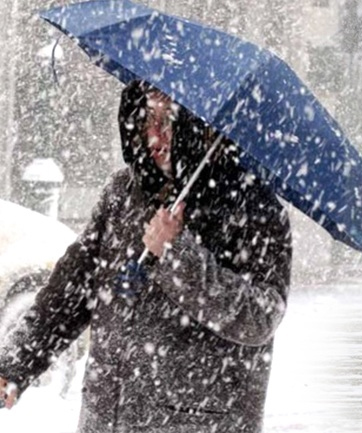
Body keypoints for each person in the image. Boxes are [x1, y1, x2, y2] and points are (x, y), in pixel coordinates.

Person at [0, 80, 292, 433]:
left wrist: (175, 253)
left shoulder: (254, 208)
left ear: (199, 128)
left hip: (195, 423)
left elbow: (259, 317)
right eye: (146, 118)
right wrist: (14, 364)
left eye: (168, 121)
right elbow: (71, 290)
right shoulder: (123, 194)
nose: (154, 136)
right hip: (107, 420)